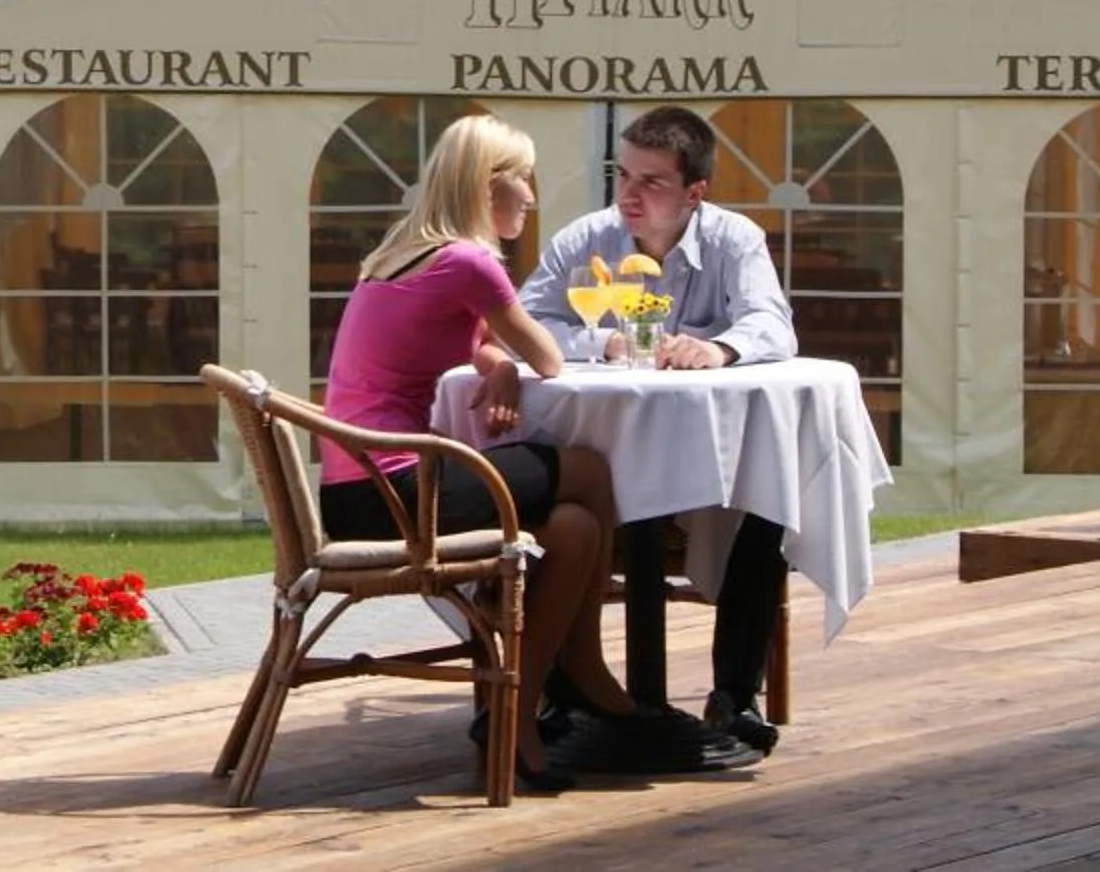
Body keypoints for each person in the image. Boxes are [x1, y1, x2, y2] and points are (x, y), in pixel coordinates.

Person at [317, 113, 642, 789]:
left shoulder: (401, 255)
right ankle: (574, 674)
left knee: (575, 525)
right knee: (588, 468)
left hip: (357, 491)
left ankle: (524, 702)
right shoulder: (469, 262)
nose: (530, 195)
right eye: (522, 179)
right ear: (488, 186)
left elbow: (480, 346)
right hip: (400, 493)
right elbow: (550, 357)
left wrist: (498, 366)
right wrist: (515, 363)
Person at [519, 103, 795, 759]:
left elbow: (772, 325)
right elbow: (527, 323)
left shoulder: (733, 240)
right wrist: (603, 340)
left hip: (704, 460)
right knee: (555, 504)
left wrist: (721, 349)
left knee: (771, 503)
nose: (630, 196)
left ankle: (734, 693)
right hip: (602, 458)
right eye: (624, 176)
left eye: (652, 182)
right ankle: (564, 690)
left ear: (695, 193)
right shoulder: (586, 239)